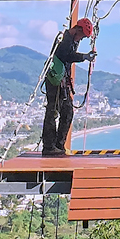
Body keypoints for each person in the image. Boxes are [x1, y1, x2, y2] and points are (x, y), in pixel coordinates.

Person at [42, 16, 94, 157]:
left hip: (61, 80)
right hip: (56, 80)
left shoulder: (70, 40)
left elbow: (68, 58)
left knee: (66, 112)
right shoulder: (64, 39)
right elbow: (67, 56)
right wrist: (84, 57)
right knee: (53, 111)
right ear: (77, 29)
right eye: (81, 36)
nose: (80, 39)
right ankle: (50, 146)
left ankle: (58, 145)